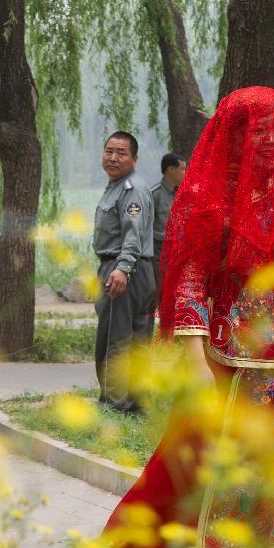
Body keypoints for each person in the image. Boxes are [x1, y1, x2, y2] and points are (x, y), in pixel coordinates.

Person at [79, 88, 274, 548]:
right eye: (255, 129)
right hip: (225, 361)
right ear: (234, 136)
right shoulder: (210, 199)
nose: (268, 139)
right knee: (197, 468)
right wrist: (194, 358)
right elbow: (190, 283)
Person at [93, 131, 155, 413]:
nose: (113, 158)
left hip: (124, 269)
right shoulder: (117, 186)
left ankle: (113, 405)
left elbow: (133, 234)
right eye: (109, 151)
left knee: (114, 340)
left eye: (121, 153)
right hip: (137, 269)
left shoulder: (131, 189)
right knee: (137, 340)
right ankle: (136, 403)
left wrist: (122, 269)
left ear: (134, 159)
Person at [148, 153, 186, 335]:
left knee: (172, 298)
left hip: (176, 255)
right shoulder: (154, 194)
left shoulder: (182, 194)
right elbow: (146, 227)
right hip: (157, 255)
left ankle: (169, 335)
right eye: (182, 168)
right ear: (170, 170)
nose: (185, 173)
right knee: (155, 296)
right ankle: (151, 336)